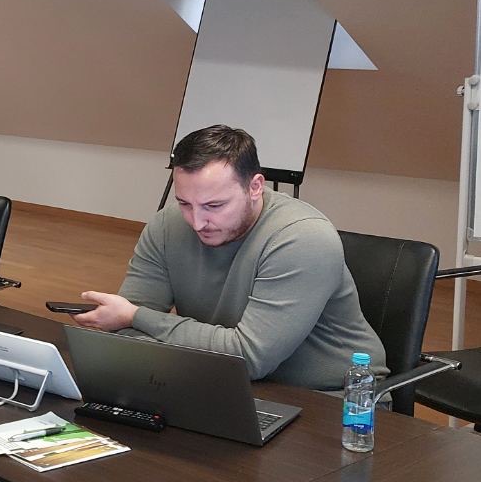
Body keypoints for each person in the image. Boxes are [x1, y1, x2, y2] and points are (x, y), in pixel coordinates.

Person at [73, 124, 386, 388]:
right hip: (222, 380)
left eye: (214, 206)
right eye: (184, 203)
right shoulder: (167, 226)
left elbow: (248, 358)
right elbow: (127, 336)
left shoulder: (303, 239)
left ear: (255, 187)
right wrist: (134, 322)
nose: (197, 222)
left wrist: (137, 316)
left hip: (336, 400)